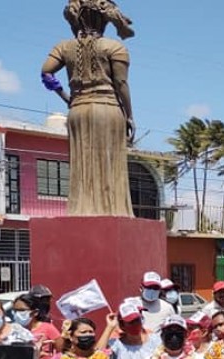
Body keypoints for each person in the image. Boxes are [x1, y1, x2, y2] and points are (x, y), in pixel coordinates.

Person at [41, 0, 135, 216]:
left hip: (78, 110)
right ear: (105, 19)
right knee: (109, 164)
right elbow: (121, 84)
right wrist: (130, 116)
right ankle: (113, 210)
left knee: (82, 165)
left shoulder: (64, 47)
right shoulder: (114, 47)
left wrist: (66, 97)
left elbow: (46, 72)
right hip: (109, 109)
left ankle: (81, 210)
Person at [11, 294, 62, 359]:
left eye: (21, 310)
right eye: (15, 310)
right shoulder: (13, 330)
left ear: (35, 312)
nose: (16, 314)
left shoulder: (47, 328)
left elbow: (62, 351)